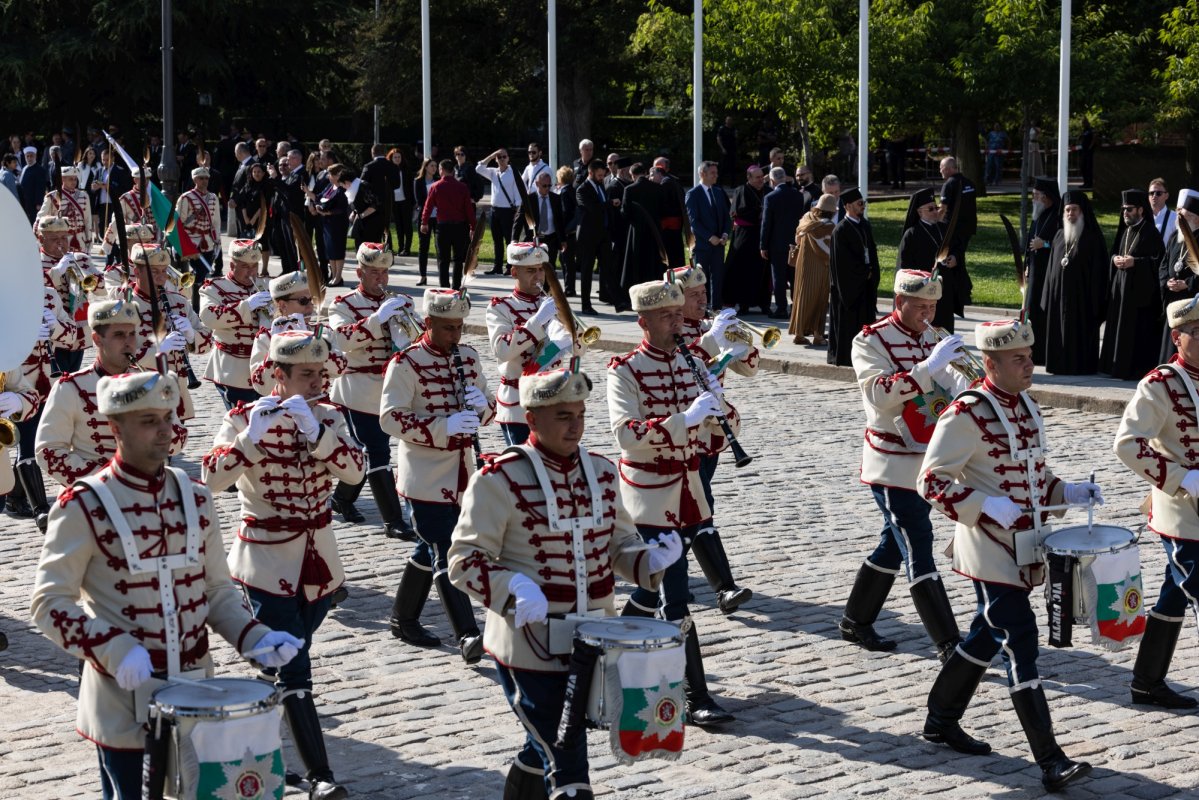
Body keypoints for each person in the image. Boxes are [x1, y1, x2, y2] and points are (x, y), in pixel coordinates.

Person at [30, 369, 300, 800]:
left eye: (169, 418)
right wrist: (115, 649)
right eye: (149, 421)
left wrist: (253, 636)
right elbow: (50, 603)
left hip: (195, 692)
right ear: (114, 428)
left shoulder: (195, 496)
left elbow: (215, 590)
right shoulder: (83, 503)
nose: (166, 431)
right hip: (121, 696)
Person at [448, 366, 679, 800]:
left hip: (594, 640)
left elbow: (619, 547)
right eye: (562, 416)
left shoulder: (603, 473)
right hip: (529, 644)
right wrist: (513, 587)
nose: (575, 426)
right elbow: (463, 561)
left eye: (580, 414)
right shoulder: (498, 478)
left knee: (545, 746)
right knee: (566, 758)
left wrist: (651, 559)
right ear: (531, 419)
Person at [918, 318, 1098, 791]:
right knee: (1020, 639)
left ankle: (940, 718)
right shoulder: (966, 413)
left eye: (1029, 356)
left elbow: (1037, 478)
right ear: (991, 364)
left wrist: (1070, 491)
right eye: (1017, 359)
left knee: (984, 634)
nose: (1028, 365)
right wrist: (984, 505)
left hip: (1027, 545)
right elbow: (930, 482)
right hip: (988, 548)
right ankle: (1050, 759)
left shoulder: (1027, 407)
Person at [203, 331, 364, 800]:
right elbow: (211, 480)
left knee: (284, 661)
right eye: (306, 375)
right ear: (280, 374)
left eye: (321, 373)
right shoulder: (243, 418)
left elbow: (356, 470)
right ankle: (320, 775)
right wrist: (249, 440)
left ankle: (259, 745)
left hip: (319, 561)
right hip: (266, 558)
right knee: (296, 667)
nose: (318, 382)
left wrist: (318, 434)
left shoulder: (330, 415)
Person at [607, 279, 738, 726]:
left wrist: (720, 415)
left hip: (687, 491)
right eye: (665, 316)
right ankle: (693, 695)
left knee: (651, 587)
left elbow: (721, 428)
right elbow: (627, 435)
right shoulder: (624, 370)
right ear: (642, 322)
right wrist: (686, 420)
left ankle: (606, 656)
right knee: (674, 595)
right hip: (647, 497)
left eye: (679, 314)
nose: (676, 323)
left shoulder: (694, 360)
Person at [841, 269, 972, 661]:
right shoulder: (870, 340)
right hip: (892, 461)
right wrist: (929, 368)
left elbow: (957, 386)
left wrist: (967, 380)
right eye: (919, 307)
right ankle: (948, 642)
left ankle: (856, 620)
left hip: (931, 457)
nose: (927, 315)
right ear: (899, 303)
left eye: (932, 307)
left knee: (892, 544)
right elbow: (879, 395)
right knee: (917, 541)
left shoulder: (934, 335)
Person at [380, 288, 494, 663]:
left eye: (460, 327)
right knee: (446, 546)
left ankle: (403, 616)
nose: (456, 336)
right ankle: (467, 634)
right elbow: (391, 417)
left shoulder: (468, 357)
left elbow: (488, 406)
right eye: (448, 328)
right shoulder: (406, 363)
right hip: (425, 473)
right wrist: (442, 426)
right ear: (428, 324)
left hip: (462, 470)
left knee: (427, 546)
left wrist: (484, 408)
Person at [1115, 294, 1199, 711]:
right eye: (1196, 333)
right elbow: (1127, 444)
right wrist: (1184, 477)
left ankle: (1147, 683)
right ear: (1176, 337)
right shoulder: (1160, 384)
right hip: (1183, 512)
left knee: (1174, 594)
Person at [670, 264, 757, 613]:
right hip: (684, 433)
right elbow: (679, 366)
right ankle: (724, 587)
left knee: (692, 509)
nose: (703, 299)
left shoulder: (710, 328)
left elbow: (749, 370)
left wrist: (737, 340)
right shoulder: (671, 330)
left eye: (704, 293)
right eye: (694, 295)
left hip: (714, 435)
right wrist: (710, 341)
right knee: (699, 507)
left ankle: (668, 578)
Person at [326, 243, 414, 535]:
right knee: (376, 452)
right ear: (359, 272)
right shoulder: (343, 304)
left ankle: (341, 498)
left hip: (393, 388)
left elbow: (418, 338)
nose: (380, 278)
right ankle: (393, 520)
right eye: (373, 272)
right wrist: (378, 319)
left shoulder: (400, 300)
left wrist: (409, 324)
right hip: (358, 388)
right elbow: (342, 340)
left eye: (384, 272)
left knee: (366, 453)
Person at [485, 243, 575, 447]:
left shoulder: (554, 303)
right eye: (531, 271)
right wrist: (537, 321)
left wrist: (572, 338)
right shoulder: (501, 307)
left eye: (542, 269)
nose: (539, 276)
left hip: (553, 400)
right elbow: (502, 350)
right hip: (518, 404)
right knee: (524, 469)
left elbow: (578, 350)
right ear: (514, 272)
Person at [199, 238, 275, 409]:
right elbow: (208, 316)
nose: (251, 272)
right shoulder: (214, 288)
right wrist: (246, 306)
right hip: (232, 368)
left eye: (254, 266)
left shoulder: (266, 285)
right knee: (240, 424)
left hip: (264, 368)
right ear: (232, 265)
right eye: (245, 267)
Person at [1100, 188, 1166, 380]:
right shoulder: (1125, 231)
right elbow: (1114, 253)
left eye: (1129, 209)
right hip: (1121, 293)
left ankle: (1134, 370)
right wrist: (1115, 260)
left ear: (1141, 210)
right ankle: (1116, 367)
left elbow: (1158, 262)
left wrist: (1135, 262)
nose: (1125, 214)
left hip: (1140, 297)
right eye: (1123, 210)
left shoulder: (1151, 233)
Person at [1041, 190, 1108, 375]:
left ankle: (1081, 366)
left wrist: (1096, 304)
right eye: (1068, 210)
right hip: (1058, 298)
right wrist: (1047, 296)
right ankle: (1059, 364)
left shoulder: (1092, 238)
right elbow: (1050, 270)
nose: (1071, 214)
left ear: (1082, 212)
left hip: (1082, 302)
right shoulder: (1058, 236)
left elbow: (1100, 274)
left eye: (1075, 210)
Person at [895, 187, 968, 333]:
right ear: (919, 212)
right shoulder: (912, 234)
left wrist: (955, 258)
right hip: (922, 293)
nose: (935, 211)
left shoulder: (944, 229)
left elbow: (957, 248)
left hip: (944, 290)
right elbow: (905, 267)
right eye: (931, 209)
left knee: (945, 329)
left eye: (936, 208)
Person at [827, 188, 879, 367]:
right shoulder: (841, 230)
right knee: (849, 326)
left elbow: (871, 251)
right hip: (848, 289)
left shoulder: (864, 225)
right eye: (859, 204)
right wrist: (864, 272)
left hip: (864, 286)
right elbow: (843, 264)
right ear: (848, 206)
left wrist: (872, 272)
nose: (862, 206)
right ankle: (845, 358)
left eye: (863, 203)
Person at [788, 193, 837, 346]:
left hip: (803, 266)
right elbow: (830, 250)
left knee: (802, 298)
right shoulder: (829, 227)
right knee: (819, 300)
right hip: (821, 267)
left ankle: (799, 333)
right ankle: (818, 335)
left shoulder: (806, 219)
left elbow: (797, 239)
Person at [1023, 178, 1061, 365]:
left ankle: (1043, 353)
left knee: (1043, 312)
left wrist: (1044, 244)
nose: (1034, 199)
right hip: (1035, 271)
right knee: (1031, 311)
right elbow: (1029, 244)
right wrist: (1027, 264)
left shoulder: (1058, 215)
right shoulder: (1038, 215)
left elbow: (1063, 244)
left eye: (1036, 195)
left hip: (1049, 272)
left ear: (1047, 197)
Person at [1158, 190, 1199, 363]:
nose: (1180, 219)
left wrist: (1187, 284)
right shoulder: (1175, 237)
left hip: (1192, 301)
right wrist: (1167, 281)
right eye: (1180, 215)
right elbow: (1164, 265)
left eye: (1185, 216)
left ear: (1196, 219)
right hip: (1173, 298)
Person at [421, 159, 475, 290]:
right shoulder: (462, 187)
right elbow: (469, 209)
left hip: (443, 227)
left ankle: (444, 287)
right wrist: (473, 227)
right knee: (458, 259)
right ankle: (456, 287)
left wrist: (424, 222)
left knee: (443, 259)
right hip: (460, 227)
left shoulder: (436, 186)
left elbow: (428, 207)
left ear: (442, 170)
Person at [760, 166, 805, 321]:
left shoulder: (770, 198)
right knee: (794, 276)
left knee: (778, 277)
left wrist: (763, 245)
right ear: (785, 178)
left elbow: (766, 224)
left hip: (776, 244)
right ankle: (796, 306)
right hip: (795, 242)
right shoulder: (798, 196)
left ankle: (781, 308)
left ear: (772, 180)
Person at [724, 165, 770, 316]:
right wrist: (759, 213)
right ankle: (743, 304)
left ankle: (764, 304)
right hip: (745, 237)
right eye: (757, 177)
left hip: (762, 236)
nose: (760, 180)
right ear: (748, 178)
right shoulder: (741, 190)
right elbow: (737, 213)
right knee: (743, 270)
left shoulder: (768, 191)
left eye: (762, 177)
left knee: (763, 271)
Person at [175, 166, 221, 311]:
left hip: (207, 241)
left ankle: (198, 305)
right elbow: (179, 221)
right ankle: (194, 306)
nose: (204, 181)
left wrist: (217, 240)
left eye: (206, 178)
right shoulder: (186, 198)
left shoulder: (213, 197)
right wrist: (181, 243)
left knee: (202, 275)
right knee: (197, 275)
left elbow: (216, 221)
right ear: (195, 179)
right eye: (201, 178)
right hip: (190, 242)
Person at [685, 161, 731, 307]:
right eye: (712, 173)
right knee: (701, 279)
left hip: (719, 245)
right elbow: (694, 222)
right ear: (702, 174)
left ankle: (716, 309)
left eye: (716, 173)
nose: (716, 176)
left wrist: (724, 234)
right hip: (703, 245)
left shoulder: (718, 192)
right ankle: (702, 309)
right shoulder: (693, 194)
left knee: (717, 278)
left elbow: (726, 217)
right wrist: (710, 237)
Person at [574, 159, 613, 315]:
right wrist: (610, 204)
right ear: (590, 173)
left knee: (608, 267)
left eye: (603, 175)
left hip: (602, 234)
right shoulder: (582, 189)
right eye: (599, 175)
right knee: (587, 271)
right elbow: (592, 208)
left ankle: (615, 298)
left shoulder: (600, 185)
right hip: (588, 236)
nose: (601, 177)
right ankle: (585, 304)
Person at [618, 162, 664, 289]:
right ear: (645, 173)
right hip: (654, 231)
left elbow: (625, 213)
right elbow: (662, 210)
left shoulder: (629, 189)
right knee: (652, 262)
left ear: (632, 175)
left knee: (636, 263)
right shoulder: (657, 189)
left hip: (636, 232)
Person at [477, 148, 522, 276]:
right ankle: (497, 266)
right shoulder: (493, 172)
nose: (502, 159)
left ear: (508, 158)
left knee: (509, 240)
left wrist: (518, 211)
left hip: (508, 211)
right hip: (495, 210)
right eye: (499, 157)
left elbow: (518, 193)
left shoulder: (513, 172)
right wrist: (491, 155)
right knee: (496, 240)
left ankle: (510, 266)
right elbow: (479, 168)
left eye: (504, 157)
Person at [512, 170, 566, 273]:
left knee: (549, 268)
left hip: (552, 239)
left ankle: (546, 288)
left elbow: (560, 221)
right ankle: (536, 288)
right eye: (544, 186)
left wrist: (563, 240)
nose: (547, 188)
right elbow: (518, 220)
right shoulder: (529, 200)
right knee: (535, 268)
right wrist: (514, 238)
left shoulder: (555, 198)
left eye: (549, 185)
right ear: (537, 184)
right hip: (535, 239)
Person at [37, 164, 92, 253]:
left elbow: (87, 220)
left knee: (81, 265)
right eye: (71, 179)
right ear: (63, 179)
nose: (74, 182)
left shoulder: (84, 196)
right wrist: (39, 237)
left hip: (80, 239)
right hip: (61, 240)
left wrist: (89, 239)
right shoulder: (52, 196)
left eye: (75, 179)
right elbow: (40, 218)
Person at [653, 156, 688, 268]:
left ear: (666, 168)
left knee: (669, 260)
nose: (655, 169)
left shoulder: (664, 183)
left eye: (658, 166)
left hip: (667, 229)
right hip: (676, 228)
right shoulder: (674, 180)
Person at [938, 156, 978, 253]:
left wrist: (936, 225)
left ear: (947, 169)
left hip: (952, 228)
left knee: (950, 256)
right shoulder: (970, 183)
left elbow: (943, 208)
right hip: (968, 227)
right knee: (959, 255)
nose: (940, 171)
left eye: (941, 168)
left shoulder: (949, 184)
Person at [412, 158, 438, 286]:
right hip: (425, 218)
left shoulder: (438, 180)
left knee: (440, 247)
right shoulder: (418, 181)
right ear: (426, 167)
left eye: (436, 166)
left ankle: (442, 276)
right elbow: (419, 200)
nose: (434, 168)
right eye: (432, 165)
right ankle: (423, 276)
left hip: (438, 217)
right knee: (424, 247)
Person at [554, 166, 579, 294]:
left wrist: (560, 228)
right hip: (573, 231)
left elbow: (565, 212)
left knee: (565, 260)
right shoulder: (573, 190)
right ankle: (570, 287)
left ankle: (569, 288)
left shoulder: (563, 192)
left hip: (566, 231)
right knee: (569, 261)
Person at [389, 147, 413, 255]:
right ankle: (400, 247)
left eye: (399, 157)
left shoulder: (406, 170)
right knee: (398, 226)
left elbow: (411, 186)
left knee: (407, 225)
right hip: (394, 201)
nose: (397, 159)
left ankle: (407, 249)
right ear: (391, 158)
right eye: (395, 157)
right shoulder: (389, 170)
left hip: (405, 201)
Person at [19, 145, 48, 222]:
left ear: (35, 156)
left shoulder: (40, 170)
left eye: (31, 156)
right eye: (27, 156)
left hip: (34, 204)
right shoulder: (25, 168)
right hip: (24, 202)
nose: (29, 158)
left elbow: (40, 187)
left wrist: (38, 203)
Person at [717, 116, 738, 186]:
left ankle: (733, 184)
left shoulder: (733, 129)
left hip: (732, 150)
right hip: (724, 150)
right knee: (722, 167)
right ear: (725, 121)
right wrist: (722, 148)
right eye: (728, 120)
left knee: (733, 167)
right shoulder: (722, 129)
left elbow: (736, 137)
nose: (729, 121)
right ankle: (720, 183)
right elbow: (718, 139)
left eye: (731, 120)